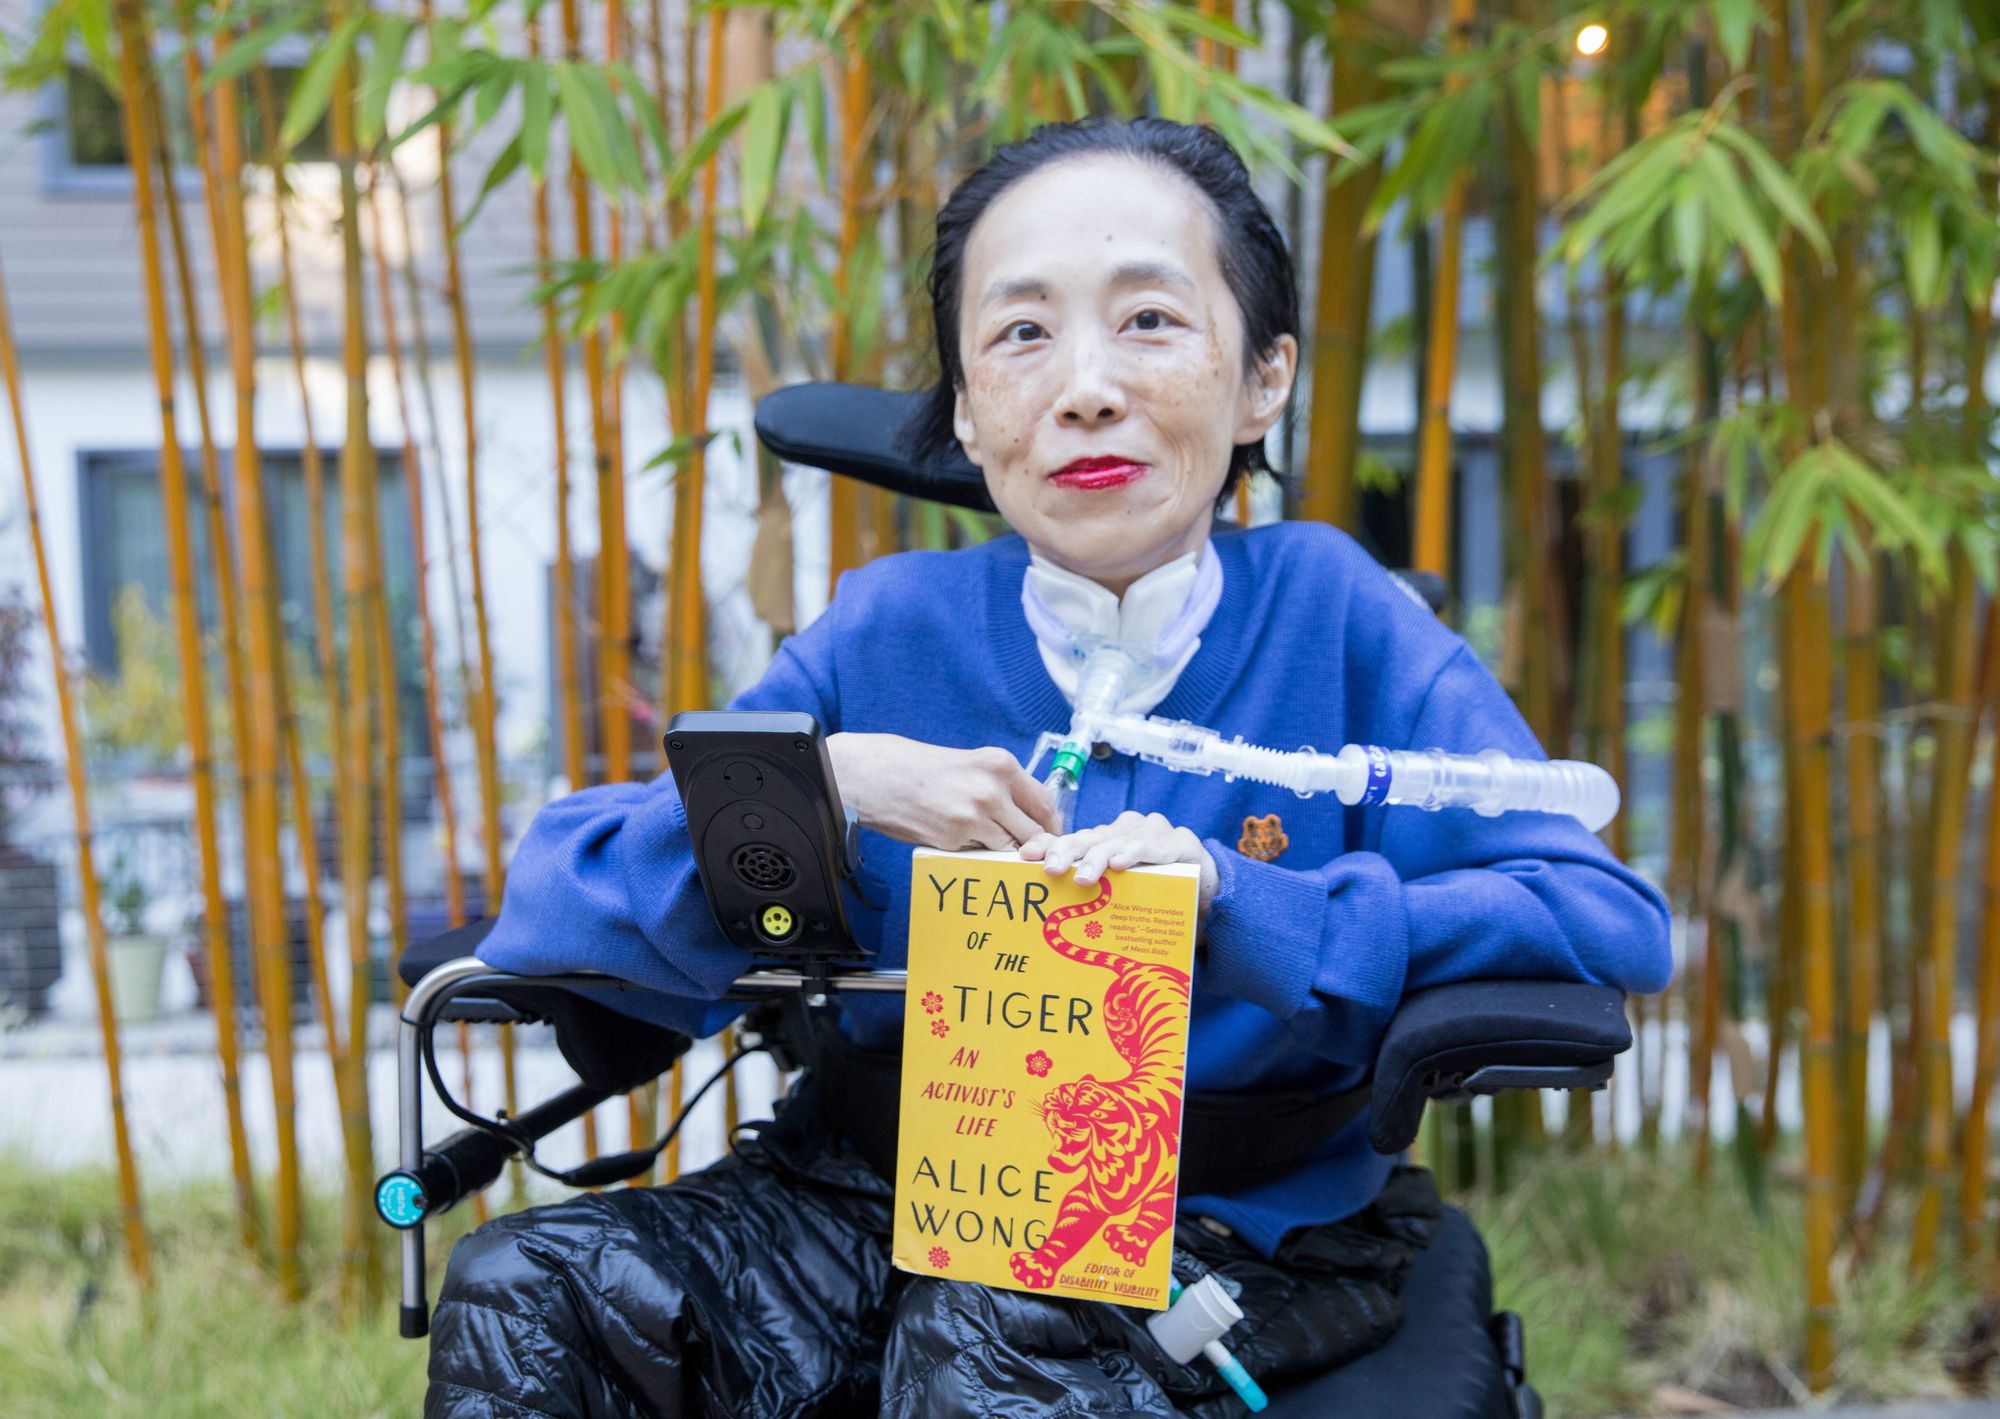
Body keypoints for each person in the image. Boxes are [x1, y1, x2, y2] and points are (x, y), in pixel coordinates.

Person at [425, 117, 1672, 1419]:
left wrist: (1237, 904)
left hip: (1232, 1227)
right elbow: (564, 890)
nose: (1085, 386)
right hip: (874, 1188)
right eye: (1022, 334)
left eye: (1148, 320)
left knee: (995, 1328)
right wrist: (829, 788)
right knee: (536, 1287)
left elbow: (1601, 921)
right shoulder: (884, 631)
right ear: (967, 411)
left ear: (1263, 378)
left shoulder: (1341, 619)